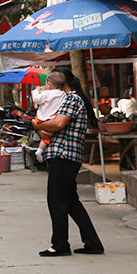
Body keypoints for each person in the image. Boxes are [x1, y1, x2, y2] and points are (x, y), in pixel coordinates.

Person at [31, 67, 104, 257]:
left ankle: (60, 245)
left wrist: (36, 124)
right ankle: (93, 243)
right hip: (65, 156)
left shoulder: (71, 99)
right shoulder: (66, 99)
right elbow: (51, 125)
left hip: (63, 155)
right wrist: (40, 128)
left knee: (56, 201)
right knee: (71, 202)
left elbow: (57, 124)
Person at [33, 72, 68, 162]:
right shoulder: (63, 94)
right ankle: (40, 150)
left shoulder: (46, 93)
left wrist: (36, 91)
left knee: (45, 135)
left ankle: (39, 150)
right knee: (47, 136)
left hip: (40, 118)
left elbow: (36, 99)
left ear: (49, 83)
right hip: (52, 119)